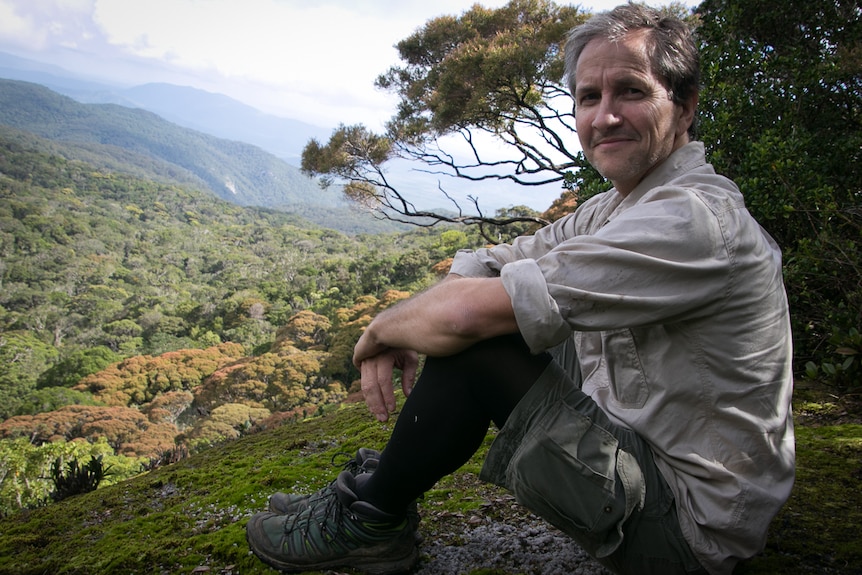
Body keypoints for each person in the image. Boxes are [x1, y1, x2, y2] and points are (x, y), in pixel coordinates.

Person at [246, 4, 795, 574]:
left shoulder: (691, 221)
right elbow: (496, 260)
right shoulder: (617, 207)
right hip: (648, 456)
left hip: (686, 530)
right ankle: (383, 483)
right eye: (588, 98)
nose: (604, 117)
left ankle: (372, 518)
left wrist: (385, 328)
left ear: (683, 107)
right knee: (502, 309)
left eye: (630, 91)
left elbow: (465, 316)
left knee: (482, 340)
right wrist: (437, 312)